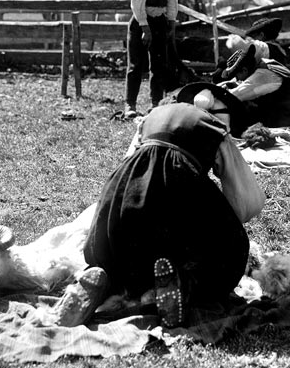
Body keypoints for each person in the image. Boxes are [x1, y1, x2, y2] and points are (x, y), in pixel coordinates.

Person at [82, 103, 265, 328]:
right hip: (179, 185)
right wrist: (225, 223)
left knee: (122, 243)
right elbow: (248, 201)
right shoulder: (214, 127)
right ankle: (183, 285)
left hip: (126, 192)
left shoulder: (150, 117)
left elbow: (131, 161)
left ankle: (105, 278)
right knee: (229, 247)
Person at [125, 0, 178, 118]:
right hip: (141, 22)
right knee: (136, 65)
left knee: (159, 65)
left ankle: (156, 104)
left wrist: (171, 23)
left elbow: (172, 0)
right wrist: (144, 28)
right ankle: (130, 105)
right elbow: (137, 3)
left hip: (159, 22)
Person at [221, 44, 290, 130]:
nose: (238, 79)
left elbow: (234, 96)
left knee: (242, 111)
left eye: (237, 75)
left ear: (244, 70)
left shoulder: (261, 75)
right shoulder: (265, 63)